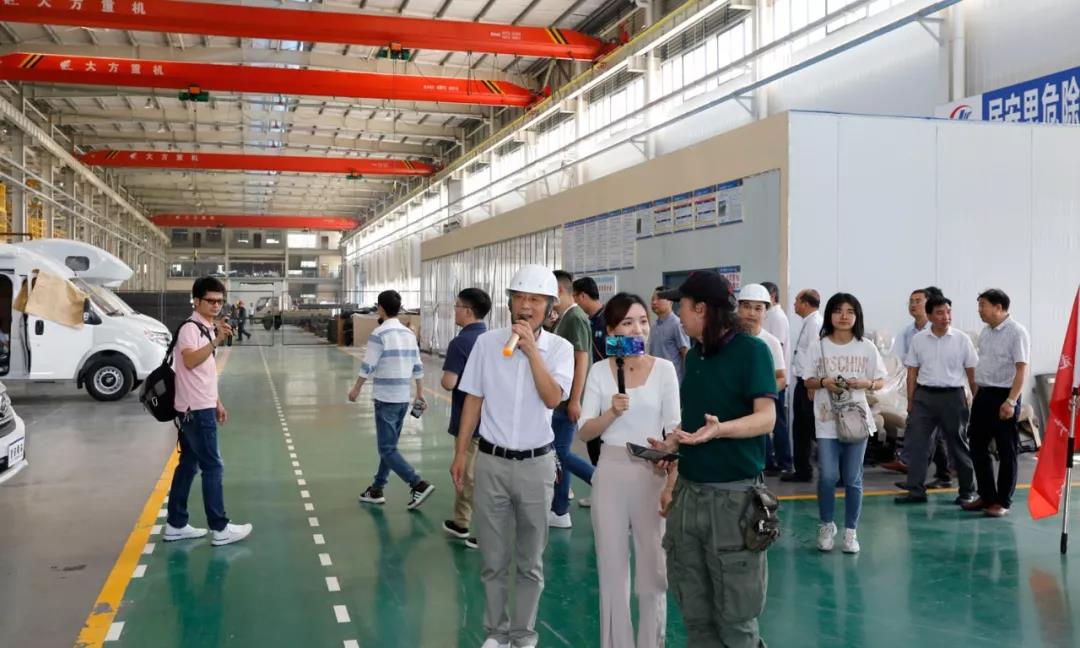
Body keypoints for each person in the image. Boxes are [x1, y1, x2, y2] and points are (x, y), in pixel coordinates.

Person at [649, 271, 777, 647]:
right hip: (689, 497)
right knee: (696, 614)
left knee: (736, 619)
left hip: (732, 502)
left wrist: (720, 430)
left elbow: (766, 418)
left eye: (683, 306)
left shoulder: (752, 352)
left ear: (701, 309)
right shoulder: (696, 356)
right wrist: (674, 444)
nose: (678, 314)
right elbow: (696, 423)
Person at [450, 264, 574, 648]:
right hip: (492, 461)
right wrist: (460, 454)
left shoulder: (560, 349)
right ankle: (496, 632)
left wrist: (532, 352)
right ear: (509, 303)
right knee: (492, 558)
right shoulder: (487, 344)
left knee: (530, 561)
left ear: (550, 308)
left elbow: (552, 398)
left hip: (537, 464)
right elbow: (473, 399)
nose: (525, 306)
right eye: (519, 297)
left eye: (535, 299)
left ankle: (523, 635)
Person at [578, 293, 679, 648]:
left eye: (643, 321)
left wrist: (670, 467)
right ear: (610, 331)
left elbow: (674, 427)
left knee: (653, 570)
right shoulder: (599, 371)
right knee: (612, 569)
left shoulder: (664, 370)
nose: (638, 329)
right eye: (627, 323)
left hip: (652, 473)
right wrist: (612, 413)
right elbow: (584, 430)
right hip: (610, 471)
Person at [164, 276, 253, 547]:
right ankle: (220, 528)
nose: (216, 305)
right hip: (195, 410)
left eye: (219, 301)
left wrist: (217, 401)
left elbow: (205, 373)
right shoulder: (190, 329)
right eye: (210, 300)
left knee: (189, 465)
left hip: (200, 405)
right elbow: (191, 361)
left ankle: (175, 524)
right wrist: (216, 341)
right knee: (213, 466)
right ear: (196, 301)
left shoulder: (205, 327)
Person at [802, 293, 886, 554]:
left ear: (857, 316)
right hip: (826, 420)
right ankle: (827, 525)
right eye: (838, 310)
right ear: (829, 314)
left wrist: (866, 383)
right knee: (828, 476)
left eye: (850, 311)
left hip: (856, 421)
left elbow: (880, 380)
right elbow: (807, 380)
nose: (844, 316)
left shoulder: (866, 347)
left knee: (852, 478)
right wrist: (823, 382)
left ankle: (851, 531)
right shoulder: (818, 346)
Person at [349, 290, 435, 510]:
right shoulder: (408, 334)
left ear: (380, 308)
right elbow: (417, 365)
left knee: (387, 449)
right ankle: (377, 489)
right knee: (390, 447)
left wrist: (356, 388)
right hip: (402, 398)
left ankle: (418, 484)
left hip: (385, 399)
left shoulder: (379, 333)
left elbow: (368, 365)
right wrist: (420, 392)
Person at [895, 294, 979, 505]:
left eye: (948, 312)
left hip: (953, 396)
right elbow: (912, 372)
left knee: (958, 444)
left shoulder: (962, 339)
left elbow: (972, 373)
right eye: (940, 313)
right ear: (930, 315)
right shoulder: (919, 340)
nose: (946, 317)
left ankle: (967, 491)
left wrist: (976, 399)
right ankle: (915, 490)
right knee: (918, 445)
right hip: (924, 397)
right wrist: (911, 402)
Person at [964, 289, 1030, 518]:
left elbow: (1022, 369)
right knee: (977, 446)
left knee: (1006, 450)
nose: (979, 310)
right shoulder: (986, 332)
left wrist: (1011, 401)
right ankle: (986, 495)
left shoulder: (1017, 332)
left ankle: (1003, 501)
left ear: (998, 307)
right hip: (984, 395)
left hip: (1005, 396)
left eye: (983, 305)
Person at [441, 288, 491, 548]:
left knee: (468, 476)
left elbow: (449, 382)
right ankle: (461, 521)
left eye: (457, 306)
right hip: (491, 421)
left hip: (468, 419)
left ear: (468, 311)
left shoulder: (460, 343)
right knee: (478, 474)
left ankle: (484, 531)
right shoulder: (492, 339)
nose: (455, 310)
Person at [547, 270, 595, 528]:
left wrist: (575, 399)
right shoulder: (564, 317)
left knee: (561, 453)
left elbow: (581, 360)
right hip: (560, 398)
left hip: (568, 400)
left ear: (560, 290)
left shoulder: (576, 318)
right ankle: (560, 508)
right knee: (558, 453)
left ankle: (601, 482)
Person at [738, 283, 790, 476]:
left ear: (765, 312)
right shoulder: (729, 339)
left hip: (759, 410)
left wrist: (760, 396)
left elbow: (781, 378)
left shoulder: (771, 343)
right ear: (738, 308)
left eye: (758, 308)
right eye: (747, 307)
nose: (752, 313)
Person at [782, 289, 823, 483]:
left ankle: (837, 469)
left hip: (809, 384)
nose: (794, 304)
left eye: (797, 300)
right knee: (801, 429)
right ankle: (802, 470)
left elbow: (817, 354)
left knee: (811, 429)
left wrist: (812, 383)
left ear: (805, 303)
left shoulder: (815, 324)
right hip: (803, 382)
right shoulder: (808, 322)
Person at [574, 276, 607, 474]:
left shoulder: (608, 320)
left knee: (603, 444)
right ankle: (598, 480)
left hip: (609, 394)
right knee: (593, 442)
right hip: (593, 392)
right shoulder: (587, 322)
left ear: (583, 296)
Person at [648, 286, 691, 382]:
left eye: (658, 299)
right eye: (652, 299)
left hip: (673, 382)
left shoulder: (677, 324)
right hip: (656, 381)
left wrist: (687, 381)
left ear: (670, 301)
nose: (654, 302)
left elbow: (685, 353)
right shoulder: (654, 327)